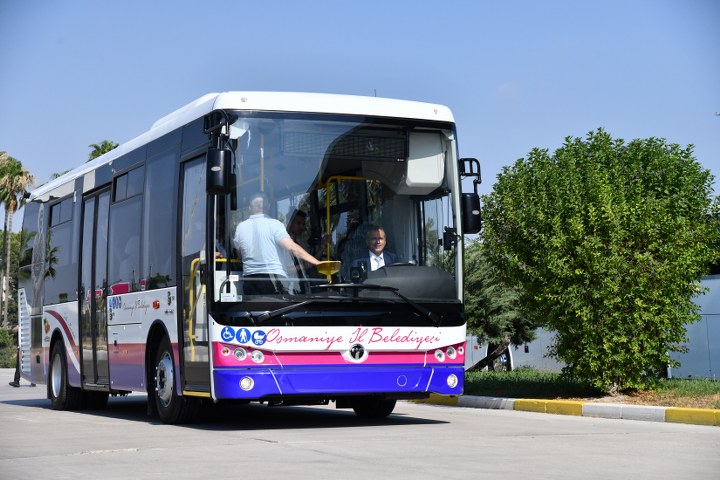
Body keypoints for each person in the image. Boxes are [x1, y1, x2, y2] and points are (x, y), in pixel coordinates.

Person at [234, 193, 321, 295]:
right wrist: (318, 263)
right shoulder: (274, 224)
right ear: (268, 206)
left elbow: (239, 255)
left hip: (250, 280)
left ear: (250, 208)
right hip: (274, 280)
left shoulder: (240, 227)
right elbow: (292, 247)